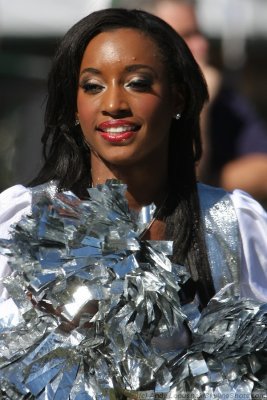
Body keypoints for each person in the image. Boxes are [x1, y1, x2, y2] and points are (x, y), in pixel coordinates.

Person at [0, 7, 266, 397]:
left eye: (138, 83)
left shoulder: (235, 225)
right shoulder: (22, 221)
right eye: (92, 86)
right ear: (74, 106)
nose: (113, 104)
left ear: (177, 97)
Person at [150, 0, 267, 205]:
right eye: (186, 35)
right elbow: (183, 184)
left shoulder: (225, 99)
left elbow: (263, 170)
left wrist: (210, 181)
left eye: (198, 33)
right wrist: (200, 103)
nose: (202, 45)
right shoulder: (146, 105)